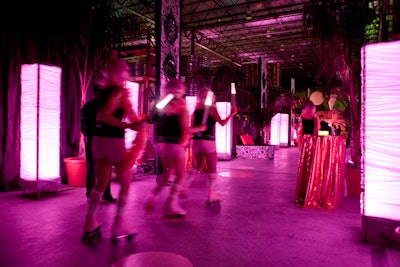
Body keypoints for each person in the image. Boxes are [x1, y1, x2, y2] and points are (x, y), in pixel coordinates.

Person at [82, 57, 147, 244]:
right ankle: (118, 224)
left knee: (100, 184)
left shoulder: (103, 91)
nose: (128, 73)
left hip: (98, 142)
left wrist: (135, 122)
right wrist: (128, 125)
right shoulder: (118, 91)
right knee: (125, 183)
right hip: (112, 142)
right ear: (119, 73)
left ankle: (90, 222)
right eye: (126, 70)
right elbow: (104, 116)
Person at [144, 79, 206, 219]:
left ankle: (152, 196)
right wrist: (199, 128)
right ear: (180, 91)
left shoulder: (161, 105)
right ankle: (170, 205)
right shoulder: (181, 108)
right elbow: (185, 129)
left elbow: (153, 119)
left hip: (161, 144)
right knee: (180, 175)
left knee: (168, 172)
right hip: (175, 144)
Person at [182, 87, 238, 204]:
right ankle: (211, 193)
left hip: (195, 141)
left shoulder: (195, 111)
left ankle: (185, 185)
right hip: (208, 141)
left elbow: (191, 127)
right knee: (212, 168)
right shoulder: (212, 109)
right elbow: (222, 123)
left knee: (197, 165)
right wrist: (232, 113)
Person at [81, 84, 116, 203]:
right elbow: (84, 126)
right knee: (92, 167)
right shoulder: (88, 107)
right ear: (96, 94)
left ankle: (106, 194)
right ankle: (90, 193)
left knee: (107, 168)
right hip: (93, 139)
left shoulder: (107, 107)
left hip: (105, 140)